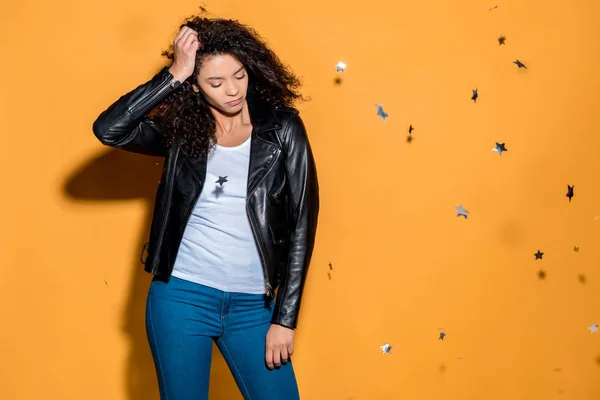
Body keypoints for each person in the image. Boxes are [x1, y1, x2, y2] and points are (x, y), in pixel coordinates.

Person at [92, 14, 319, 400]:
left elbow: (302, 225)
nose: (232, 90)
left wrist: (284, 318)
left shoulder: (282, 130)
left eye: (239, 75)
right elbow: (109, 129)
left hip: (253, 307)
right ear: (195, 87)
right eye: (215, 82)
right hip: (181, 298)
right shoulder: (182, 132)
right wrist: (173, 74)